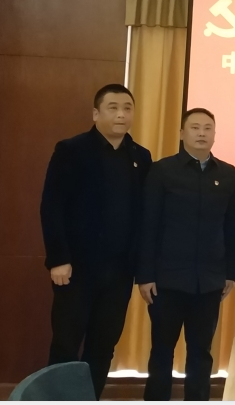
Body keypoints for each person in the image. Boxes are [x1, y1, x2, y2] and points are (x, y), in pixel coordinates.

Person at [40, 84, 152, 398]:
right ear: (95, 113)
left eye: (127, 108)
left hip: (119, 272)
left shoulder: (140, 157)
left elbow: (144, 214)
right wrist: (58, 258)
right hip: (76, 269)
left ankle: (89, 399)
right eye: (113, 107)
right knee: (66, 343)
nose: (121, 114)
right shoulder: (72, 150)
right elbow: (52, 206)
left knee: (103, 346)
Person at [136, 108, 235, 401]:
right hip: (166, 280)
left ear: (215, 134)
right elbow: (148, 224)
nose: (201, 133)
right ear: (182, 133)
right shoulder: (162, 170)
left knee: (201, 353)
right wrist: (145, 275)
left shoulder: (228, 173)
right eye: (195, 128)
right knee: (162, 351)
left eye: (207, 128)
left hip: (209, 281)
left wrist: (230, 273)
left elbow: (232, 227)